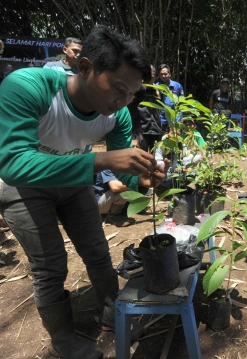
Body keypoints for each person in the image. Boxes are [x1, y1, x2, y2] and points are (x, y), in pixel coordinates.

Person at [0, 25, 168, 358]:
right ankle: (64, 341)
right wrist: (100, 158)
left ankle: (112, 313)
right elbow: (13, 163)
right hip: (24, 186)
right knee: (51, 266)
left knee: (97, 251)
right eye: (118, 89)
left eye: (132, 95)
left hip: (72, 182)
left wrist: (142, 181)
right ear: (86, 68)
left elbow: (123, 168)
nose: (123, 102)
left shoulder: (115, 115)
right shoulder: (28, 87)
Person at [156, 63, 184, 133]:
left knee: (176, 140)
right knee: (164, 140)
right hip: (162, 119)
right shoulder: (157, 86)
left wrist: (179, 119)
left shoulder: (177, 86)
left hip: (175, 118)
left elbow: (182, 101)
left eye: (165, 74)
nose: (163, 76)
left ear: (169, 74)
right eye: (161, 74)